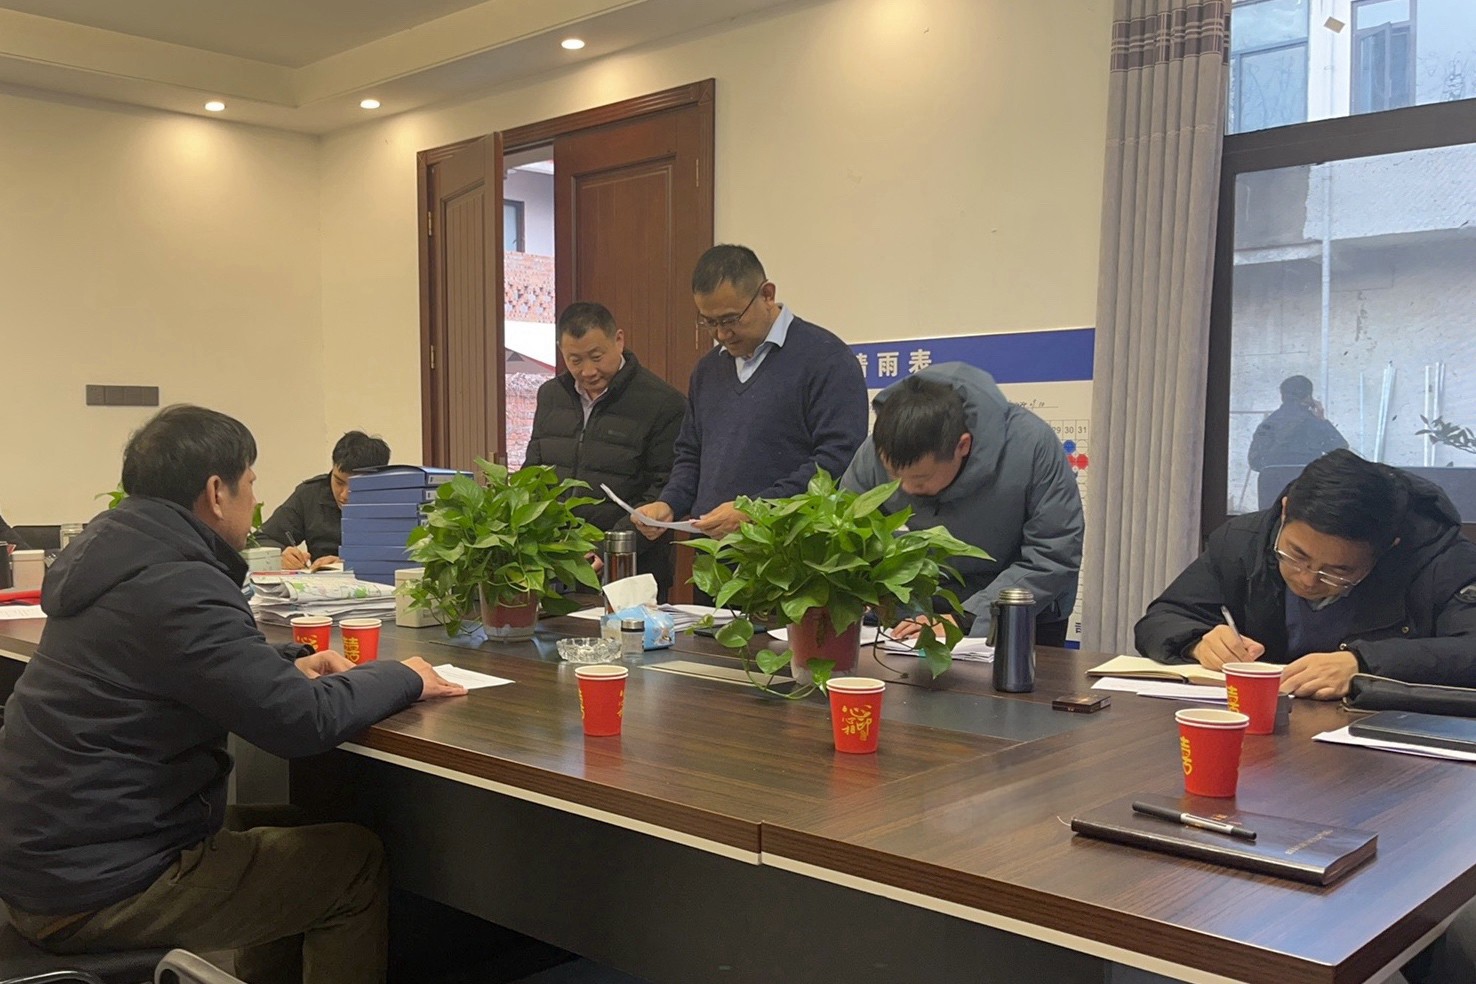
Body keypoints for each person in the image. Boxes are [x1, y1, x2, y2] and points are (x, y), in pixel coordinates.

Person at [0, 404, 465, 983]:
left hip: (53, 857)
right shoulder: (179, 581)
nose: (255, 499)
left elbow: (177, 665)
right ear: (217, 493)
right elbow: (300, 723)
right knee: (352, 864)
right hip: (99, 886)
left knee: (298, 828)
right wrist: (405, 676)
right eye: (251, 483)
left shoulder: (119, 559)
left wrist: (284, 662)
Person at [1135, 448, 1476, 699]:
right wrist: (1197, 641)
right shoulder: (1243, 541)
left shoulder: (1442, 561)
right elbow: (1163, 617)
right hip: (1266, 729)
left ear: (1388, 547)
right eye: (1296, 556)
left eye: (1338, 571)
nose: (1308, 580)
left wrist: (1363, 664)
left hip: (1385, 744)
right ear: (1285, 512)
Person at [632, 244, 868, 542]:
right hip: (713, 553)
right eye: (709, 322)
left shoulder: (826, 359)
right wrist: (669, 502)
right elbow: (690, 454)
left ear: (767, 295)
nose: (721, 334)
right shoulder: (708, 369)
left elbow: (837, 460)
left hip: (789, 553)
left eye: (731, 319)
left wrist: (756, 510)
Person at [840, 364, 1084, 646]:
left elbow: (1053, 553)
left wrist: (967, 618)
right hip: (914, 615)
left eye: (919, 479)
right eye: (893, 476)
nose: (904, 489)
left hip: (1017, 614)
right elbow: (846, 534)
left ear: (962, 446)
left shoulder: (1031, 446)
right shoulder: (879, 449)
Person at [524, 302, 686, 600]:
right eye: (574, 360)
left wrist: (607, 548)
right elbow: (533, 474)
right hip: (556, 565)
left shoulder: (663, 403)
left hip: (632, 568)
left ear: (619, 340)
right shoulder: (551, 396)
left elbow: (663, 489)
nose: (587, 371)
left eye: (597, 357)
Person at [257, 429, 391, 570]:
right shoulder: (310, 494)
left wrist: (347, 563)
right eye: (339, 482)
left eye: (356, 486)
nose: (344, 495)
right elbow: (262, 539)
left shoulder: (397, 501)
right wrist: (281, 554)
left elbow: (403, 556)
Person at [1247, 374, 1348, 510]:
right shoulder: (1315, 423)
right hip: (1307, 482)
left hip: (1271, 485)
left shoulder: (1268, 424)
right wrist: (1323, 420)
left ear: (1282, 396)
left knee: (1271, 521)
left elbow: (1254, 461)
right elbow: (1340, 449)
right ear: (1309, 398)